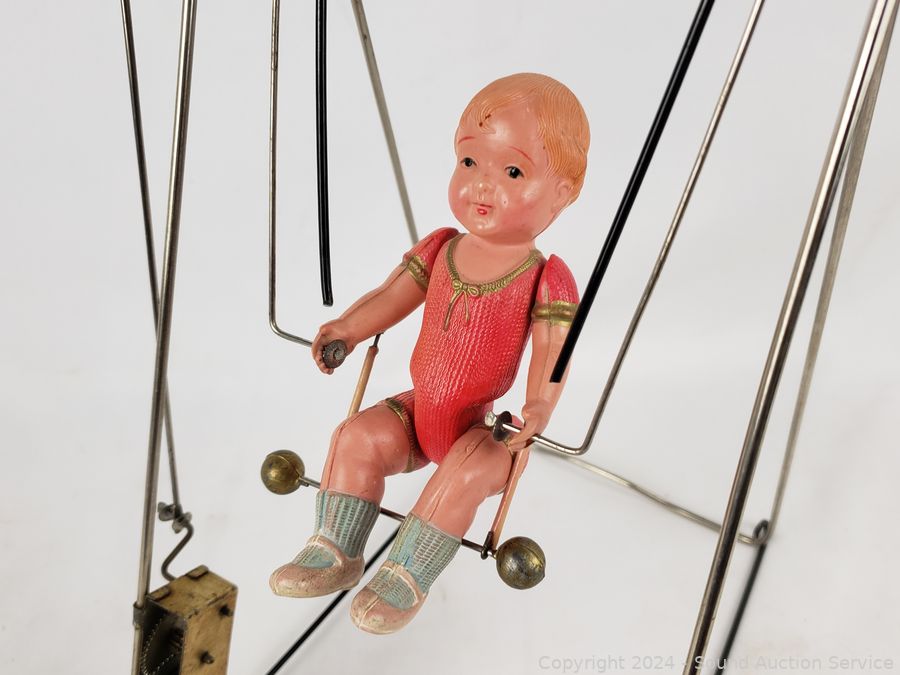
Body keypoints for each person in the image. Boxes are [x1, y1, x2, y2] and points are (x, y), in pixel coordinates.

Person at [270, 72, 590, 634]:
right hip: (419, 413)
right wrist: (348, 328)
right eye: (469, 162)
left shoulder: (545, 276)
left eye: (512, 172)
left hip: (483, 433)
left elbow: (551, 351)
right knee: (356, 438)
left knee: (461, 476)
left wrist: (539, 409)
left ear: (560, 194)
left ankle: (407, 574)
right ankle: (336, 548)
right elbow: (392, 296)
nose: (482, 185)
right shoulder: (441, 247)